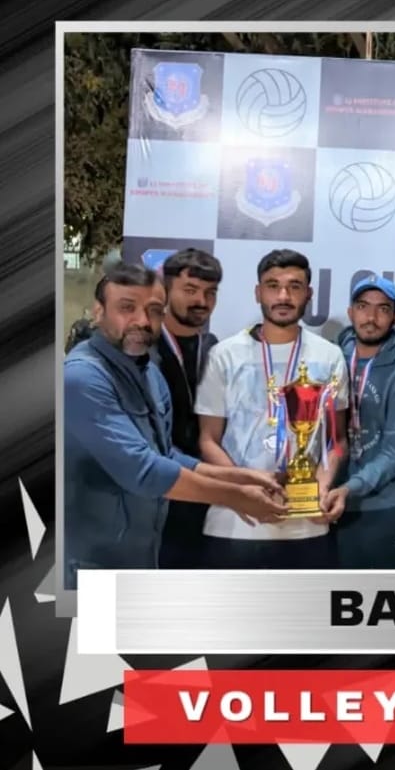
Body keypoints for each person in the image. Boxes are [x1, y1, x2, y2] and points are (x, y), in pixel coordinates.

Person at [63, 263, 287, 588]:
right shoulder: (82, 377)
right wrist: (236, 496)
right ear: (99, 312)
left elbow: (165, 454)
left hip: (142, 558)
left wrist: (241, 476)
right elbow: (144, 470)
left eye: (154, 310)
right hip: (89, 566)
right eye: (127, 307)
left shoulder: (149, 372)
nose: (142, 321)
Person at [196, 249, 349, 569]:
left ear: (308, 294)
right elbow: (208, 439)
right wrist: (246, 489)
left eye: (294, 286)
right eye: (273, 285)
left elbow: (335, 439)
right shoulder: (225, 355)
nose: (283, 296)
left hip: (306, 526)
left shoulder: (329, 356)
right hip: (235, 523)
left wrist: (321, 487)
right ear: (258, 292)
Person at [330, 274, 395, 569]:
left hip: (387, 507)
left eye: (383, 309)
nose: (371, 318)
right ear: (351, 312)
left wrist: (349, 488)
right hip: (329, 505)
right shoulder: (331, 359)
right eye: (363, 306)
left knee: (390, 596)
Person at [155, 248, 223, 569]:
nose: (201, 301)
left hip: (204, 497)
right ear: (166, 290)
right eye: (190, 290)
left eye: (211, 292)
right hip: (155, 497)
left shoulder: (214, 349)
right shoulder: (144, 349)